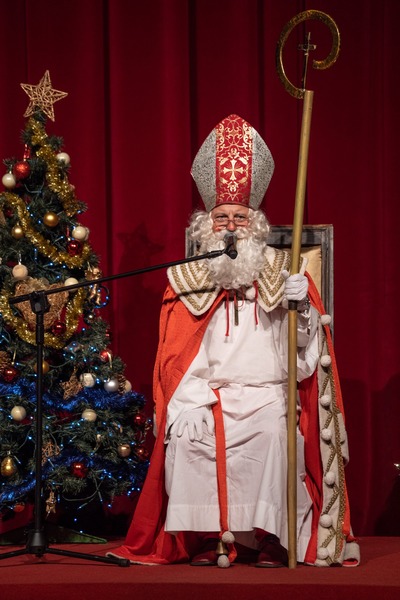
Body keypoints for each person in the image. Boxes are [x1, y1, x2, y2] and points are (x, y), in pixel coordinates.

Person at [108, 114, 359, 567]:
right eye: (220, 217)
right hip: (209, 394)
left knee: (271, 436)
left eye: (239, 217)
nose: (229, 226)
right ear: (207, 225)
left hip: (268, 395)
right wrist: (189, 400)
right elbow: (176, 357)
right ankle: (209, 538)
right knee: (188, 437)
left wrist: (301, 308)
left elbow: (305, 357)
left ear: (254, 224)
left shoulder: (283, 273)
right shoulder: (187, 279)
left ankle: (268, 537)